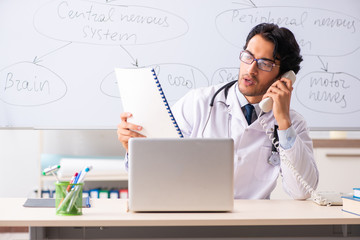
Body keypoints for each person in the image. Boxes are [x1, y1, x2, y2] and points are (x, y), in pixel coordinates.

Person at [117, 23, 319, 199]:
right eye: (248, 56)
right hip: (195, 215)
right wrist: (134, 148)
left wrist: (282, 120)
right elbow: (161, 169)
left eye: (265, 63)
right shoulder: (199, 103)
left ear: (283, 76)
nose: (250, 69)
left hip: (253, 224)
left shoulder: (293, 123)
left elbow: (302, 191)